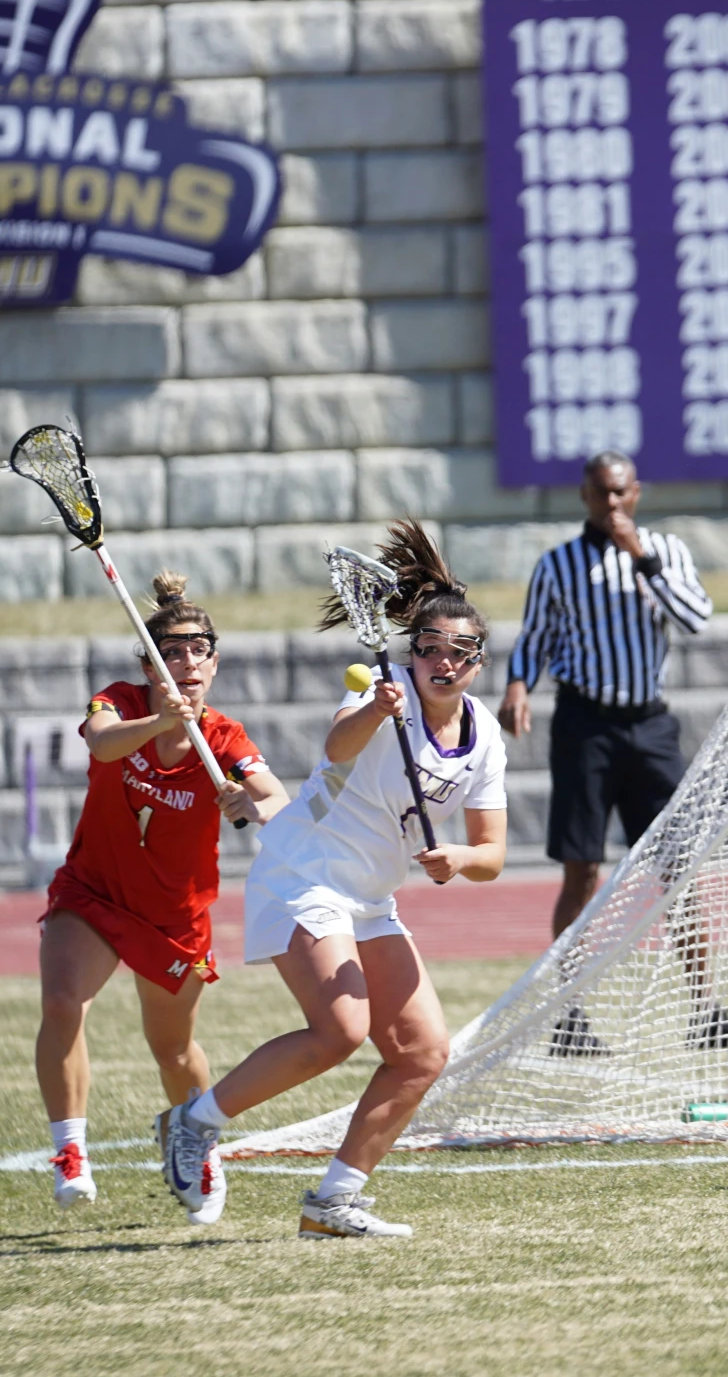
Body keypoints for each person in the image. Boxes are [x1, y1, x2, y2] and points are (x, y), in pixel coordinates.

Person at [156, 523, 507, 1237]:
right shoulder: (381, 699)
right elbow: (336, 744)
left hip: (369, 896)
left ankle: (333, 1199)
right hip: (303, 870)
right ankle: (194, 1121)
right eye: (427, 648)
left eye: (456, 652)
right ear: (412, 653)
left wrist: (458, 862)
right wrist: (377, 708)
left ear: (477, 661)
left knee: (422, 1054)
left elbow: (492, 851)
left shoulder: (485, 734)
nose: (439, 661)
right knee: (342, 1028)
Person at [34, 573, 289, 1214]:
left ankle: (194, 1142)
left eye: (198, 650)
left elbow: (276, 798)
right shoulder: (119, 703)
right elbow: (101, 742)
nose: (187, 662)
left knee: (172, 1048)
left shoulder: (225, 740)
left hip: (174, 913)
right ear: (149, 664)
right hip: (94, 891)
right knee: (64, 1002)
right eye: (171, 653)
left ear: (215, 660)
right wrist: (157, 721)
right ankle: (70, 1149)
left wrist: (248, 804)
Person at [502, 451, 728, 1052]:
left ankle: (704, 1012)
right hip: (585, 724)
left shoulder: (665, 551)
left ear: (636, 493)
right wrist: (518, 684)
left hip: (648, 725)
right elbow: (536, 634)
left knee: (678, 865)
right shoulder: (558, 564)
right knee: (581, 869)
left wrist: (641, 558)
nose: (611, 505)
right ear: (584, 495)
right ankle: (571, 1017)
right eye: (600, 494)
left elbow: (694, 617)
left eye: (620, 494)